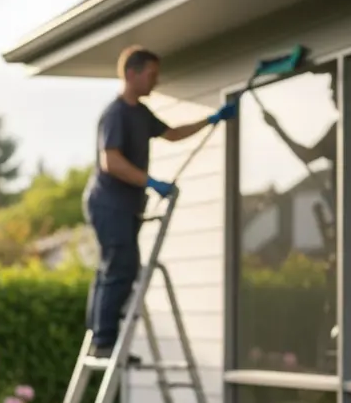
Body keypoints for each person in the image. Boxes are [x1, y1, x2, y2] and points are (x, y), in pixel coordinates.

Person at [84, 46, 237, 358]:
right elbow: (110, 161)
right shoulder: (115, 114)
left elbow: (172, 133)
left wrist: (211, 119)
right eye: (151, 75)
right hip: (108, 204)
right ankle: (103, 341)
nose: (156, 81)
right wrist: (150, 182)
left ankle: (100, 335)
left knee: (113, 268)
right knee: (121, 267)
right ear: (132, 74)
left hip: (126, 206)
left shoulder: (140, 113)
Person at [260, 66, 351, 369]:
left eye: (334, 88)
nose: (331, 95)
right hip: (345, 217)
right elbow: (307, 155)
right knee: (341, 277)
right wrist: (276, 127)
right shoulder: (338, 128)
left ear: (349, 89)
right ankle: (343, 337)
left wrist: (350, 180)